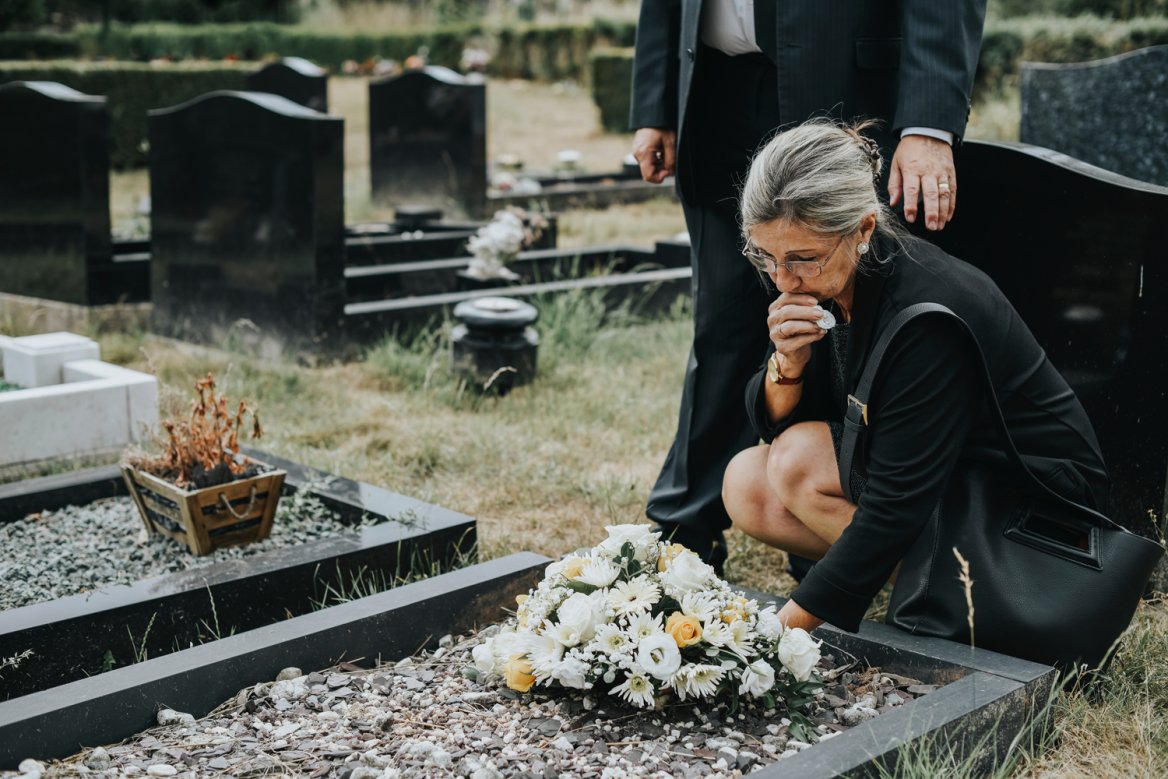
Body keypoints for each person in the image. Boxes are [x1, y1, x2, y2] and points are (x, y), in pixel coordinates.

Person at [629, 0, 987, 571]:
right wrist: (656, 100)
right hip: (712, 84)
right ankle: (684, 527)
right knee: (720, 317)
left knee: (846, 307)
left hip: (843, 78)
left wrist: (928, 119)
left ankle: (824, 520)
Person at [720, 120, 1110, 633]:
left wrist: (775, 636)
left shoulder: (928, 315)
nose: (783, 280)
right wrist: (787, 366)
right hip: (938, 477)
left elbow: (895, 503)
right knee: (749, 482)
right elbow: (777, 423)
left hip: (1033, 512)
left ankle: (966, 590)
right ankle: (925, 580)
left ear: (862, 230)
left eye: (801, 260)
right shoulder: (828, 277)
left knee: (797, 460)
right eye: (765, 256)